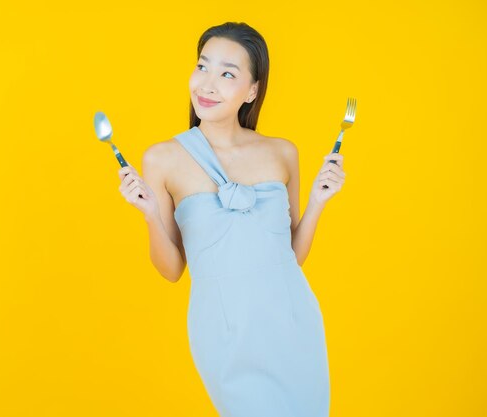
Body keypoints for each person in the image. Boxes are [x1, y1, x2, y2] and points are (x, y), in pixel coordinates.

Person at [118, 21, 345, 417]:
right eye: (202, 67)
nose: (207, 84)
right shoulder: (162, 158)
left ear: (252, 90)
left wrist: (318, 203)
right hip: (223, 330)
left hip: (292, 322)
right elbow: (171, 270)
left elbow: (290, 258)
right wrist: (151, 215)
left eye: (227, 74)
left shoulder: (282, 153)